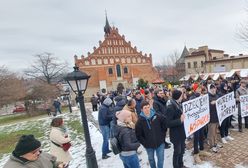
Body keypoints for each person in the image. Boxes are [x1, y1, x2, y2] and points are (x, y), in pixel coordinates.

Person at [135, 101, 167, 168]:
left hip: (160, 143)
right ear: (141, 109)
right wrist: (145, 143)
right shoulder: (139, 121)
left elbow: (164, 123)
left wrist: (163, 135)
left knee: (161, 159)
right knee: (151, 159)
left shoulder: (157, 116)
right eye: (145, 108)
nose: (147, 109)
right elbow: (138, 135)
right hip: (149, 145)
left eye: (148, 107)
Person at [189, 85, 211, 164]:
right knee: (196, 137)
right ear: (195, 89)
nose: (199, 89)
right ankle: (196, 153)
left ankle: (201, 149)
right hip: (195, 122)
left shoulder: (202, 96)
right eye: (198, 88)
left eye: (200, 88)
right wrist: (199, 98)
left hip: (201, 120)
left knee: (202, 135)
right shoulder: (192, 97)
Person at [166, 89, 186, 168]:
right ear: (178, 96)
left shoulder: (178, 104)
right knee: (177, 151)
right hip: (176, 134)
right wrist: (179, 120)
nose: (182, 97)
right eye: (181, 96)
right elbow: (168, 123)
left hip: (182, 132)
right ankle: (176, 166)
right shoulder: (170, 107)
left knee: (182, 151)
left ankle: (181, 165)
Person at [208, 84, 222, 153]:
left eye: (214, 88)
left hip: (217, 117)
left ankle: (215, 143)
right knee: (211, 132)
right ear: (209, 89)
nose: (213, 89)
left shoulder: (217, 96)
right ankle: (212, 146)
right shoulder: (207, 97)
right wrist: (211, 104)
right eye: (212, 88)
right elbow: (206, 108)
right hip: (211, 118)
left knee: (216, 131)